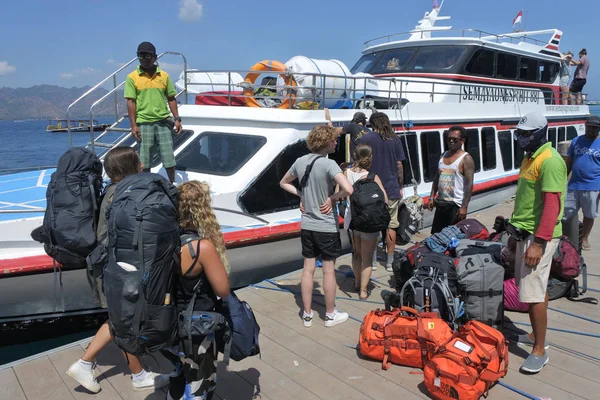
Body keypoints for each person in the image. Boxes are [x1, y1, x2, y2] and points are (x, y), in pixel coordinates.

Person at [66, 147, 170, 393]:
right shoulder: (124, 195)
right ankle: (137, 375)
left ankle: (86, 364)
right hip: (119, 269)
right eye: (138, 161)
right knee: (124, 321)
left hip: (108, 266)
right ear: (132, 167)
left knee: (118, 319)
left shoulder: (113, 192)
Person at [509, 112, 567, 374]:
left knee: (532, 295)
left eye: (526, 134)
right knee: (535, 288)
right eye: (519, 134)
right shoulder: (529, 157)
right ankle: (534, 334)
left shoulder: (550, 161)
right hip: (525, 232)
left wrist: (539, 243)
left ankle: (540, 350)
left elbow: (552, 206)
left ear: (542, 133)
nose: (521, 138)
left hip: (539, 237)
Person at [279, 125, 354, 328]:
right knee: (328, 271)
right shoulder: (329, 165)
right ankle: (330, 315)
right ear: (327, 142)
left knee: (307, 270)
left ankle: (307, 314)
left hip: (307, 224)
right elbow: (348, 189)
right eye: (334, 140)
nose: (336, 143)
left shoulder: (300, 161)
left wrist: (302, 195)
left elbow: (283, 182)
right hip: (326, 226)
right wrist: (332, 197)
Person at [167, 181, 231, 400]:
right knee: (199, 381)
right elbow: (223, 290)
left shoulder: (165, 240)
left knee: (177, 375)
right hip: (197, 326)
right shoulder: (201, 248)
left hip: (169, 321)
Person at [125, 41, 182, 183]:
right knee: (145, 159)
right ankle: (146, 184)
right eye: (141, 55)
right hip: (143, 123)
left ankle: (172, 184)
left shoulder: (164, 76)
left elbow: (171, 98)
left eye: (148, 55)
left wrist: (177, 118)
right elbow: (130, 102)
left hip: (163, 122)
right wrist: (133, 125)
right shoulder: (132, 77)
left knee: (168, 156)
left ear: (155, 57)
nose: (144, 59)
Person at [358, 112, 406, 272]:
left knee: (372, 226)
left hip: (371, 189)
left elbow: (359, 163)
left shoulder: (366, 139)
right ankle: (389, 262)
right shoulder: (395, 140)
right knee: (391, 225)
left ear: (372, 124)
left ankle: (371, 262)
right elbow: (399, 165)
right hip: (391, 188)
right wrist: (400, 186)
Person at [343, 144, 388, 300]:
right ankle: (363, 291)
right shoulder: (373, 176)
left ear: (354, 155)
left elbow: (339, 194)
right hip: (370, 221)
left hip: (353, 220)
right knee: (367, 257)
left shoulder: (346, 173)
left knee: (356, 254)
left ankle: (356, 283)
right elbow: (385, 200)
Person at [427, 126, 475, 234]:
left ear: (462, 140)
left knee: (452, 239)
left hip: (455, 206)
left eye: (454, 139)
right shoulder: (443, 155)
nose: (451, 141)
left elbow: (469, 185)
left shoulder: (466, 159)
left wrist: (464, 207)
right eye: (449, 139)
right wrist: (431, 197)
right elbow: (436, 178)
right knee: (436, 236)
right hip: (441, 203)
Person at [565, 115, 600, 251]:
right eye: (589, 127)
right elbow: (569, 161)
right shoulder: (576, 141)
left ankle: (584, 238)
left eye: (594, 128)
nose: (591, 130)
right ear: (585, 126)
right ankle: (568, 237)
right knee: (568, 213)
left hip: (593, 186)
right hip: (574, 185)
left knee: (589, 214)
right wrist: (563, 180)